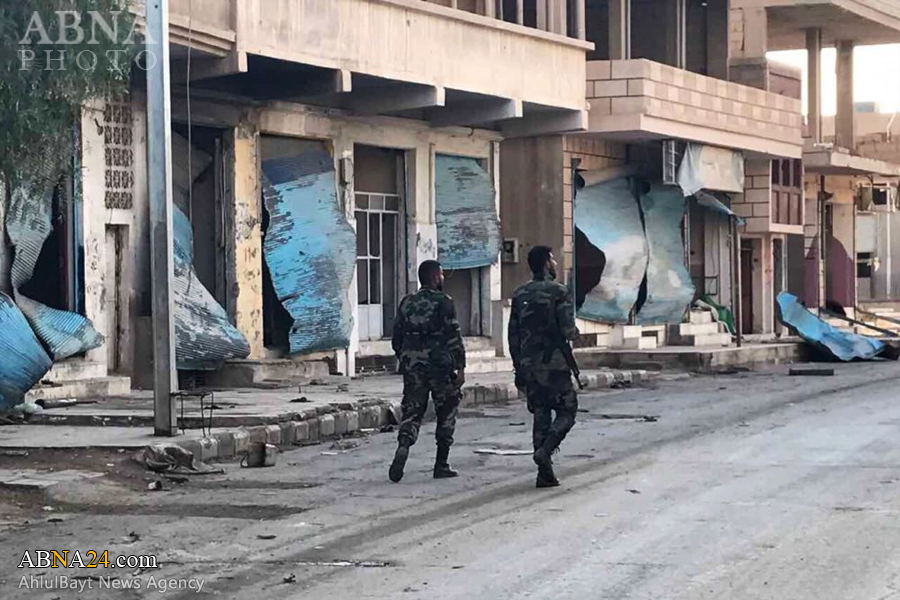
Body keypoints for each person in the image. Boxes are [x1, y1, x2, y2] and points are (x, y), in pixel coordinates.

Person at [388, 260, 466, 483]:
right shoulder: (444, 302)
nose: (443, 278)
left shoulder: (407, 302)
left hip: (413, 366)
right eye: (441, 274)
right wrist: (460, 367)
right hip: (440, 367)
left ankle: (404, 444)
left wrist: (405, 358)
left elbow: (396, 337)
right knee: (446, 411)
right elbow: (454, 336)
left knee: (412, 411)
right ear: (434, 277)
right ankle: (441, 464)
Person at [508, 246, 579, 488]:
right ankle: (545, 450)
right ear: (546, 264)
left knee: (541, 413)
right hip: (555, 365)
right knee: (567, 411)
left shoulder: (520, 294)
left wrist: (518, 367)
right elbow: (568, 330)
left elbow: (513, 335)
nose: (555, 264)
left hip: (529, 365)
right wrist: (576, 334)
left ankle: (544, 472)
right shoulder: (559, 292)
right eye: (552, 260)